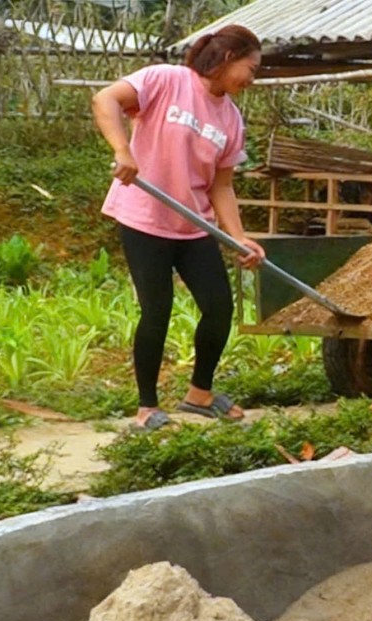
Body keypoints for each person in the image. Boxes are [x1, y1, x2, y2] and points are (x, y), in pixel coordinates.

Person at [92, 25, 266, 430]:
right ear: (227, 58)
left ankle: (199, 393)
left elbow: (222, 186)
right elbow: (106, 99)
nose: (252, 80)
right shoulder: (167, 79)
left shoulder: (232, 118)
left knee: (219, 307)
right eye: (251, 69)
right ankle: (146, 408)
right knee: (158, 310)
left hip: (193, 225)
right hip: (144, 217)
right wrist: (123, 150)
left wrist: (237, 237)